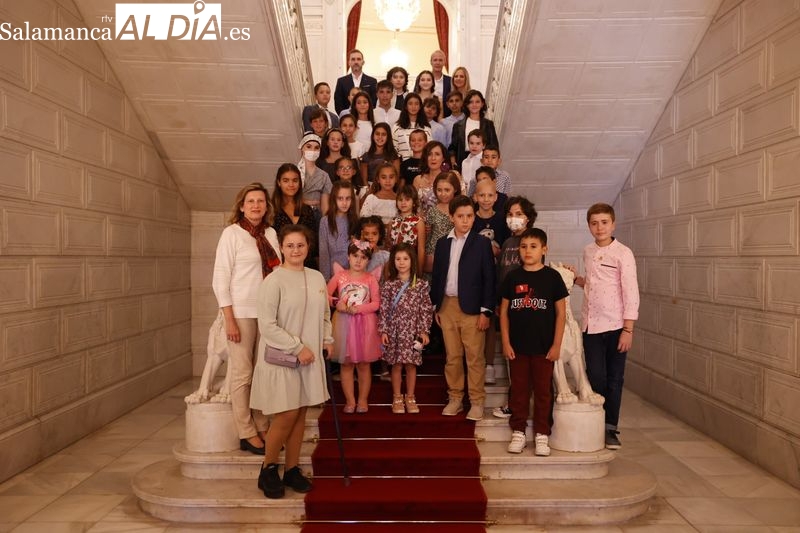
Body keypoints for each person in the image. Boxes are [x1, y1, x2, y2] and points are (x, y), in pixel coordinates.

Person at [251, 224, 331, 498]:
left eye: (301, 245)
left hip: (308, 359)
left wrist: (327, 340)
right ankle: (268, 469)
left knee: (299, 415)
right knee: (285, 414)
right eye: (290, 246)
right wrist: (298, 347)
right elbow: (268, 326)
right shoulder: (273, 281)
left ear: (308, 248)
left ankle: (293, 469)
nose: (296, 250)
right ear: (282, 248)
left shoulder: (317, 277)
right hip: (283, 359)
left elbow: (324, 316)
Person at [212, 183, 280, 456]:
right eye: (250, 201)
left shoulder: (271, 234)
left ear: (266, 206)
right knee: (243, 374)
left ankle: (262, 424)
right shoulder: (232, 234)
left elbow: (278, 274)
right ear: (241, 205)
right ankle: (246, 431)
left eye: (260, 201)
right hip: (240, 312)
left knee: (263, 372)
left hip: (267, 313)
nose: (255, 206)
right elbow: (220, 279)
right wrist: (228, 317)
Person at [572, 203, 639, 450]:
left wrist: (628, 329)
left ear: (613, 224)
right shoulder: (588, 250)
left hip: (616, 327)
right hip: (591, 326)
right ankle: (594, 422)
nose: (599, 227)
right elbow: (593, 283)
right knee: (595, 376)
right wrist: (577, 278)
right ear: (589, 225)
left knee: (614, 379)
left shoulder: (623, 253)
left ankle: (610, 428)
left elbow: (631, 292)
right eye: (594, 223)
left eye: (604, 222)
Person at [499, 228, 568, 456]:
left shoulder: (552, 277)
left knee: (543, 392)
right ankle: (518, 431)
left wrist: (556, 345)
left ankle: (541, 433)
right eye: (524, 246)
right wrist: (506, 342)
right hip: (517, 348)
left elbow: (561, 314)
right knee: (518, 390)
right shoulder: (513, 277)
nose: (527, 251)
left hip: (544, 348)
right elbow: (504, 313)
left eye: (533, 246)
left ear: (544, 249)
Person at [431, 195, 495, 421]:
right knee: (452, 356)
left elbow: (489, 278)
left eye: (469, 216)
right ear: (452, 217)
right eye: (460, 216)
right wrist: (436, 306)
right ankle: (455, 398)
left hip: (472, 308)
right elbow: (437, 275)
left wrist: (486, 310)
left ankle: (476, 401)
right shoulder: (442, 243)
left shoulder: (481, 243)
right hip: (447, 305)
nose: (465, 221)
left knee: (474, 356)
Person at [493, 196, 538, 419]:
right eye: (510, 214)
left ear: (528, 217)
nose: (514, 218)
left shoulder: (532, 241)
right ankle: (515, 403)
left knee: (525, 360)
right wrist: (499, 304)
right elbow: (502, 276)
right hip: (506, 305)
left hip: (526, 306)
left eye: (518, 214)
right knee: (513, 359)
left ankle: (522, 405)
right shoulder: (508, 243)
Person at [327, 240, 382, 413]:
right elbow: (325, 294)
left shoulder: (370, 279)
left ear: (368, 261)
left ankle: (363, 400)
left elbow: (376, 304)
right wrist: (337, 302)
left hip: (365, 325)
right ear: (348, 257)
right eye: (355, 256)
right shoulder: (340, 276)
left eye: (363, 257)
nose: (358, 260)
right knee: (346, 364)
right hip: (343, 325)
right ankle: (350, 401)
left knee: (364, 364)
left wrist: (358, 308)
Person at [379, 243, 433, 414]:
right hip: (395, 331)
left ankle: (410, 397)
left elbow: (425, 308)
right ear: (393, 261)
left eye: (405, 259)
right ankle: (397, 397)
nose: (401, 262)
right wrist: (384, 331)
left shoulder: (421, 285)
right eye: (398, 259)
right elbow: (384, 309)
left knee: (410, 365)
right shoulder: (388, 285)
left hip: (413, 332)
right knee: (396, 365)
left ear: (412, 261)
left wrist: (424, 330)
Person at [271, 163, 317, 268]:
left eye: (295, 180)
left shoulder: (307, 210)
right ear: (279, 183)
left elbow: (314, 243)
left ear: (300, 183)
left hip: (307, 266)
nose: (291, 184)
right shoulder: (271, 209)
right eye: (286, 180)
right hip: (281, 267)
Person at [319, 180, 358, 281]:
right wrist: (326, 280)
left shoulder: (355, 221)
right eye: (340, 198)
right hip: (334, 276)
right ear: (333, 199)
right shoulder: (325, 222)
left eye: (348, 198)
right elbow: (324, 253)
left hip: (353, 275)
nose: (344, 203)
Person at [449, 90, 498, 170]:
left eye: (477, 102)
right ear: (467, 105)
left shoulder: (488, 124)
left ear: (482, 104)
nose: (474, 105)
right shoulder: (458, 125)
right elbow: (453, 147)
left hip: (483, 162)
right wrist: (452, 158)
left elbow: (494, 146)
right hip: (463, 161)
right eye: (471, 102)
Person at [423, 170, 459, 276]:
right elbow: (428, 236)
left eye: (447, 190)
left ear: (455, 189)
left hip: (454, 253)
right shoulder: (432, 211)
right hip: (434, 255)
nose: (443, 194)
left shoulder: (460, 210)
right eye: (439, 190)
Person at [296, 132, 332, 225]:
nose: (312, 150)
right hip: (298, 213)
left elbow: (325, 206)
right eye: (308, 147)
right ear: (302, 148)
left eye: (316, 148)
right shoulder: (294, 173)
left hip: (317, 216)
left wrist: (325, 224)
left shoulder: (324, 176)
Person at [389, 184, 426, 273]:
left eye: (407, 199)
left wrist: (419, 271)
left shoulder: (418, 222)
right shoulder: (392, 222)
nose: (403, 203)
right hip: (395, 264)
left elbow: (421, 249)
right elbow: (389, 246)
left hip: (411, 265)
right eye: (400, 200)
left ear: (414, 203)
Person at [334, 49, 377, 114]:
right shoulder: (341, 81)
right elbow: (338, 103)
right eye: (353, 59)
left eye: (358, 59)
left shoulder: (372, 82)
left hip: (367, 118)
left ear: (363, 62)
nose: (356, 62)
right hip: (347, 119)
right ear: (349, 62)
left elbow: (374, 102)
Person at [360, 122, 401, 187]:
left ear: (388, 137)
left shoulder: (394, 156)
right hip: (370, 191)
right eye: (377, 134)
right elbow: (364, 181)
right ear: (373, 136)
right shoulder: (366, 157)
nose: (380, 137)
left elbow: (396, 179)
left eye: (383, 134)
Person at [360, 162, 399, 229]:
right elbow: (364, 221)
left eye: (391, 177)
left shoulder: (400, 199)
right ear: (378, 179)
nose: (388, 181)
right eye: (384, 177)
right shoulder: (371, 198)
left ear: (396, 179)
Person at [393, 93, 432, 161]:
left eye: (416, 104)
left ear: (420, 107)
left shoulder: (426, 128)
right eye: (410, 104)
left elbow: (429, 150)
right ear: (405, 106)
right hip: (403, 167)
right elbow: (393, 151)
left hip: (422, 166)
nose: (413, 107)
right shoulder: (397, 127)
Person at [413, 140, 447, 215]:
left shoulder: (451, 176)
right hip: (422, 223)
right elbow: (413, 206)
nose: (433, 158)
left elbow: (461, 203)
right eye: (429, 154)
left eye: (437, 154)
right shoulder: (418, 180)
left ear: (443, 158)